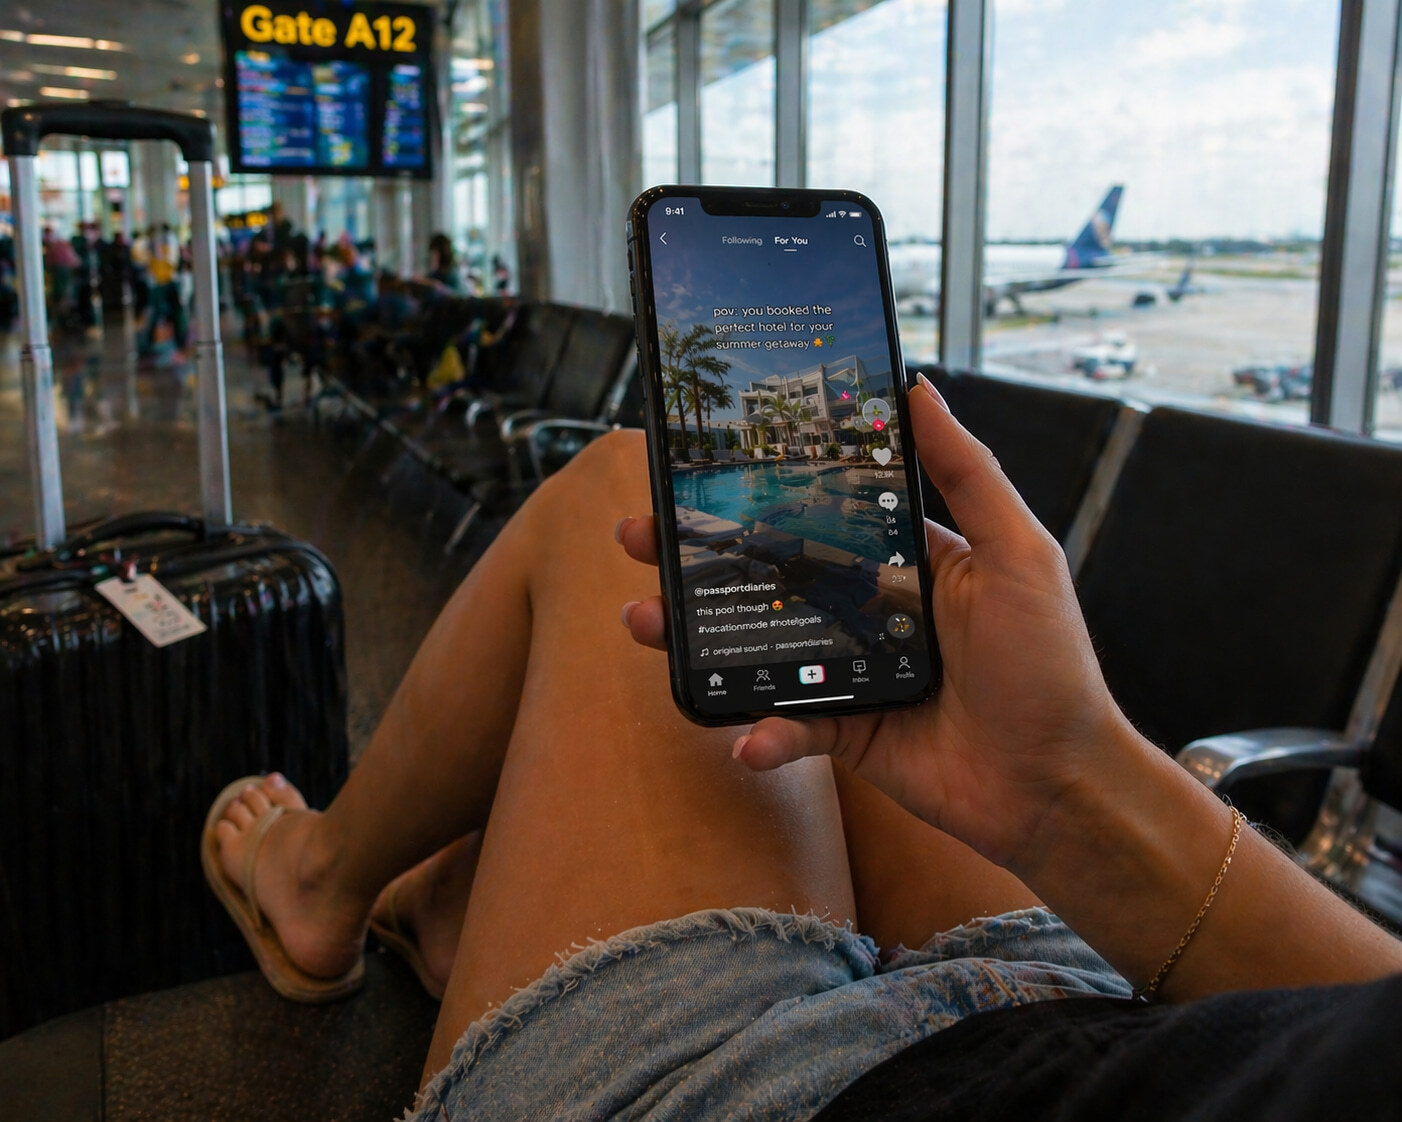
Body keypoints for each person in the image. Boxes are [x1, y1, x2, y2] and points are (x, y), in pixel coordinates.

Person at [205, 376, 1402, 1119]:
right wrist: (1069, 783)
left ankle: (322, 882)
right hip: (1113, 1027)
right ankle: (485, 914)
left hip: (780, 1097)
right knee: (807, 661)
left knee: (635, 490)